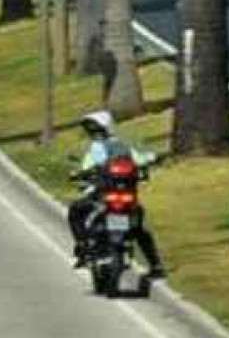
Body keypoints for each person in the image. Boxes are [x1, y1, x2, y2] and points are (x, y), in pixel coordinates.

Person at [66, 111, 165, 277]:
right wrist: (152, 158)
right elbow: (141, 159)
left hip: (105, 194)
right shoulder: (120, 146)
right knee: (139, 228)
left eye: (97, 129)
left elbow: (139, 160)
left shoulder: (103, 147)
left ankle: (83, 248)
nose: (94, 134)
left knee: (76, 211)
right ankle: (155, 265)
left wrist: (80, 175)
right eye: (92, 130)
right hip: (118, 195)